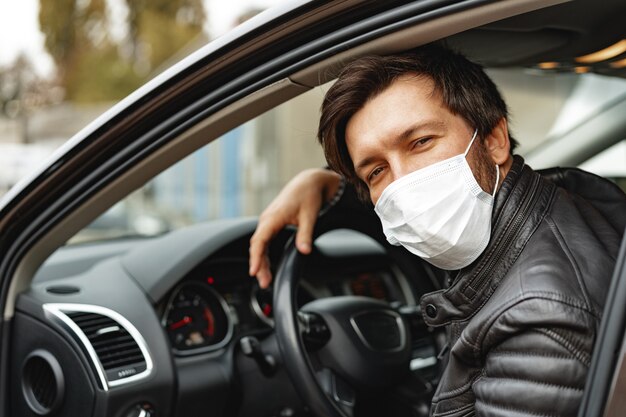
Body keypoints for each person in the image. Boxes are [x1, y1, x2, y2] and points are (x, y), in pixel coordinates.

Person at [248, 44, 626, 417]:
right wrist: (327, 185)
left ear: (494, 140)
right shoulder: (561, 199)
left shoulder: (537, 323)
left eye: (421, 142)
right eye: (376, 171)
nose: (404, 187)